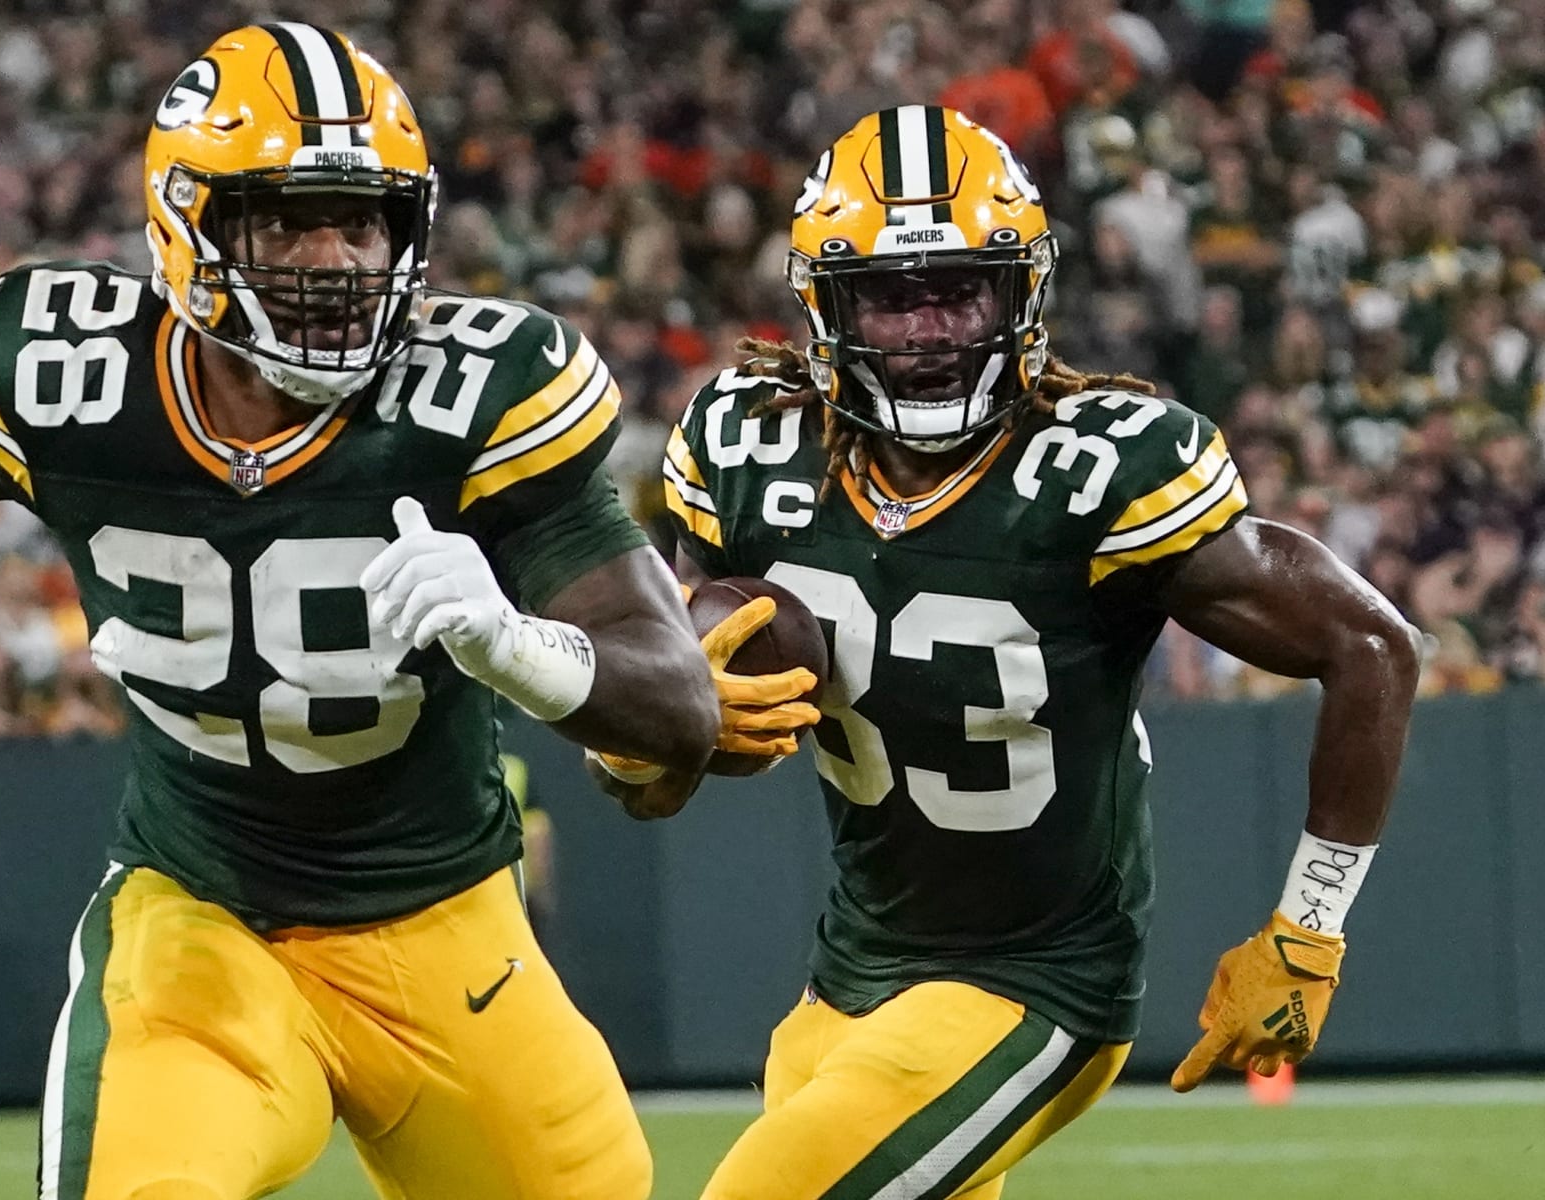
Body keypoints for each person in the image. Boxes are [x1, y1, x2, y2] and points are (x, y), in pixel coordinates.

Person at [0, 23, 717, 1200]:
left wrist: (520, 643)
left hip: (442, 921)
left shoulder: (481, 395)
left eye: (366, 221)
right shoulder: (66, 370)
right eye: (288, 218)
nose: (339, 258)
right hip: (202, 914)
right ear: (191, 223)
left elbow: (680, 709)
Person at [595, 105, 1421, 1200]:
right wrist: (654, 743)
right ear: (824, 304)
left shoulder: (1101, 468)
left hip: (1038, 984)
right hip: (850, 979)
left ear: (1022, 291)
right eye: (892, 298)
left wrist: (1308, 932)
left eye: (961, 291)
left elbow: (1372, 642)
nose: (931, 330)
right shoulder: (751, 450)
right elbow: (672, 729)